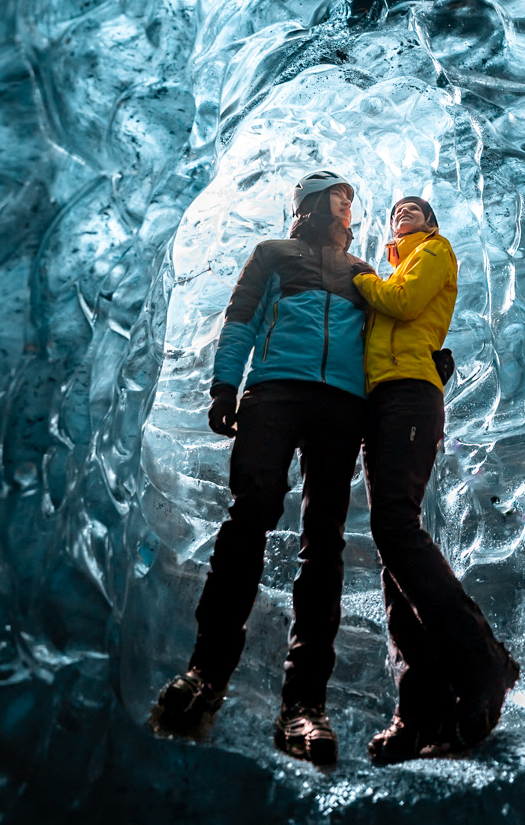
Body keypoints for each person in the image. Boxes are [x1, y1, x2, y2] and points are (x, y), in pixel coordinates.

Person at [150, 170, 373, 766]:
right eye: (339, 196)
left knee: (323, 542)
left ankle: (305, 706)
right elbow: (242, 318)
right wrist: (225, 386)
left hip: (342, 404)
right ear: (311, 203)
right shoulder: (273, 253)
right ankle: (206, 673)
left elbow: (385, 338)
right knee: (249, 517)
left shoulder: (364, 273)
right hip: (274, 392)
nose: (348, 206)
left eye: (351, 199)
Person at [353, 196, 520, 764]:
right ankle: (419, 711)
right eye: (397, 212)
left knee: (395, 529)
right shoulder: (394, 266)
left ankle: (483, 663)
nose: (404, 214)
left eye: (414, 210)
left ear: (430, 224)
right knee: (391, 545)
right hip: (380, 402)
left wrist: (362, 279)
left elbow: (402, 303)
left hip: (411, 395)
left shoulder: (432, 253)